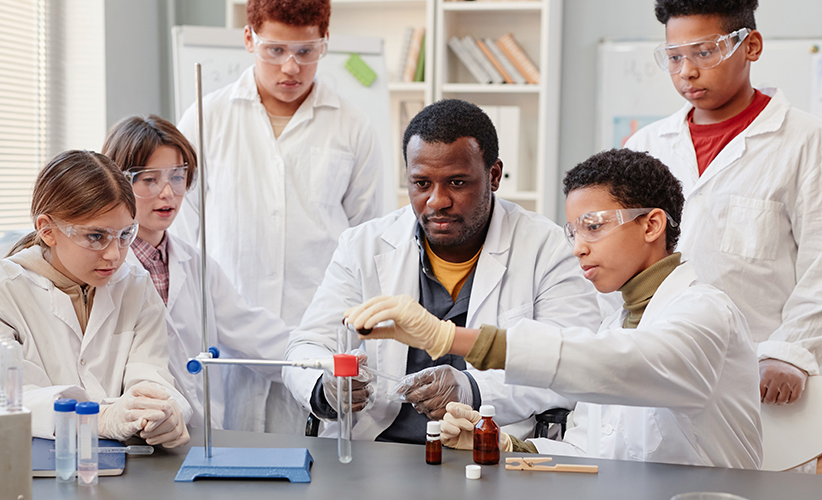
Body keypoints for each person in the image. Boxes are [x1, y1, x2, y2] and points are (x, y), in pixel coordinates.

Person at [349, 148, 762, 469]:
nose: (578, 246)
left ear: (652, 225)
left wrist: (449, 337)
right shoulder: (616, 323)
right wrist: (505, 444)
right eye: (574, 230)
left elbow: (625, 364)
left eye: (594, 226)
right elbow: (589, 448)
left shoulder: (706, 312)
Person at [283, 99, 601, 444]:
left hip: (488, 453)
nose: (437, 201)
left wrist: (472, 389)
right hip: (376, 451)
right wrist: (326, 386)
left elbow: (570, 365)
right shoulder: (362, 245)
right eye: (421, 184)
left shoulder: (547, 247)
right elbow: (307, 345)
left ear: (493, 176)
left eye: (457, 183)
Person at [175, 0, 385, 434]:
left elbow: (366, 242)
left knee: (318, 476)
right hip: (230, 348)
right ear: (249, 38)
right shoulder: (205, 118)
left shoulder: (354, 126)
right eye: (275, 50)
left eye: (306, 52)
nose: (291, 67)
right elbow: (185, 236)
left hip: (318, 344)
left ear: (325, 44)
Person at [625, 0, 822, 406]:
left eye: (704, 52)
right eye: (674, 57)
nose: (687, 71)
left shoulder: (805, 141)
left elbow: (819, 264)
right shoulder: (645, 146)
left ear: (750, 46)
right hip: (659, 366)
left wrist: (790, 353)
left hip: (762, 377)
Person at [0, 150, 191, 448]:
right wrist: (98, 419)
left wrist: (166, 413)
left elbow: (152, 376)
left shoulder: (135, 286)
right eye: (95, 236)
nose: (114, 254)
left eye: (125, 235)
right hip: (26, 469)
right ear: (48, 230)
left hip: (126, 469)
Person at [102, 115, 293, 431]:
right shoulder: (104, 268)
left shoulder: (196, 264)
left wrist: (321, 359)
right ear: (118, 182)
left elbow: (251, 330)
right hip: (130, 434)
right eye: (150, 179)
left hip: (199, 433)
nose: (168, 193)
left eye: (178, 177)